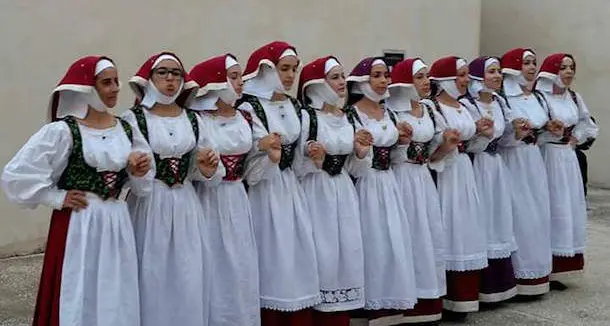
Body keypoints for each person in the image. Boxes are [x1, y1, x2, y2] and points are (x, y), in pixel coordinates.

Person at [2, 56, 153, 326]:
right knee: (80, 285)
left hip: (117, 222)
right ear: (87, 88)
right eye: (107, 82)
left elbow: (141, 187)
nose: (116, 88)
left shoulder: (125, 129)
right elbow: (17, 174)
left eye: (116, 81)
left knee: (115, 287)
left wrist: (138, 171)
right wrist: (56, 197)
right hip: (80, 223)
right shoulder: (64, 131)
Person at [122, 52, 224, 326]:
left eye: (176, 73)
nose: (170, 79)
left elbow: (210, 169)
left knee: (188, 274)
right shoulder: (133, 119)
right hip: (150, 206)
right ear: (149, 79)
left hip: (185, 204)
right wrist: (138, 171)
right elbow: (127, 170)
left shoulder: (192, 119)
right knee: (152, 272)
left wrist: (206, 167)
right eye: (163, 73)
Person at [236, 41, 320, 326]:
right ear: (266, 70)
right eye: (284, 68)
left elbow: (297, 161)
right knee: (270, 255)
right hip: (262, 192)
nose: (290, 75)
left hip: (290, 190)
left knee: (294, 253)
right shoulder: (249, 107)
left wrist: (310, 155)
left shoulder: (294, 106)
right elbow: (248, 166)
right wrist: (267, 154)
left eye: (294, 69)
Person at [295, 55, 369, 326]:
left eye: (342, 76)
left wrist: (360, 153)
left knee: (345, 250)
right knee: (321, 251)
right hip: (315, 192)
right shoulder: (306, 118)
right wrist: (313, 160)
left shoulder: (346, 116)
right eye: (335, 77)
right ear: (316, 83)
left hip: (342, 191)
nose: (342, 82)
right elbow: (294, 167)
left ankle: (339, 316)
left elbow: (357, 169)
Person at [344, 56, 418, 325]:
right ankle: (364, 310)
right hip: (364, 186)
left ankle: (389, 305)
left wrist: (402, 143)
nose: (384, 80)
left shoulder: (390, 114)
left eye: (386, 75)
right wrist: (362, 152)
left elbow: (397, 159)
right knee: (370, 242)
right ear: (363, 81)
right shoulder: (351, 115)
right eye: (377, 75)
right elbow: (351, 164)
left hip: (388, 184)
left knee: (391, 240)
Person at [188, 54, 260, 326]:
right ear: (216, 82)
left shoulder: (245, 116)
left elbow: (253, 165)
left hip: (237, 197)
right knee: (212, 260)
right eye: (233, 76)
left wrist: (265, 151)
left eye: (240, 76)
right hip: (207, 198)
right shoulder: (198, 119)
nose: (240, 82)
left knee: (239, 261)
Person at [426, 56, 488, 320]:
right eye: (460, 76)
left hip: (463, 171)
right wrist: (446, 145)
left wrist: (481, 134)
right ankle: (445, 296)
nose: (465, 81)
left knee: (464, 227)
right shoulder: (432, 107)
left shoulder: (464, 107)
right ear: (446, 80)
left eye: (465, 75)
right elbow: (431, 154)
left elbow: (471, 145)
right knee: (447, 227)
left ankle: (463, 297)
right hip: (444, 176)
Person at [386, 58, 446, 324]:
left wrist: (447, 145)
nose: (426, 82)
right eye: (420, 77)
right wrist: (400, 142)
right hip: (400, 178)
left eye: (427, 77)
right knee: (405, 235)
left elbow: (435, 152)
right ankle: (401, 301)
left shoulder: (429, 109)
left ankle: (426, 300)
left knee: (426, 234)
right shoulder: (390, 111)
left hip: (422, 178)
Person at [535, 53, 598, 287]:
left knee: (568, 206)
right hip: (546, 157)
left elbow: (587, 124)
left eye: (572, 67)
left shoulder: (573, 96)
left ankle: (563, 266)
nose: (569, 72)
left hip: (567, 158)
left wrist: (575, 138)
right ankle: (544, 265)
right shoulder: (540, 98)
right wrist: (548, 133)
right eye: (563, 67)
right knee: (551, 206)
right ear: (552, 71)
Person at [460, 56, 518, 304]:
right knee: (481, 219)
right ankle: (479, 285)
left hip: (496, 166)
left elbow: (504, 140)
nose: (497, 76)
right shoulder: (467, 105)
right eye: (491, 72)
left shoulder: (500, 102)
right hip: (477, 165)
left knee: (498, 217)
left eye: (499, 72)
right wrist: (481, 135)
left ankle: (500, 285)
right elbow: (468, 146)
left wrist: (518, 133)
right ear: (477, 77)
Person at [499, 48, 552, 297]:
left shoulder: (537, 97)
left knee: (537, 213)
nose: (531, 68)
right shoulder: (504, 98)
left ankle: (537, 275)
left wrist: (550, 130)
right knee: (518, 214)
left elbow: (539, 131)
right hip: (512, 160)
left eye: (534, 63)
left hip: (532, 160)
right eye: (526, 63)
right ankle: (517, 276)